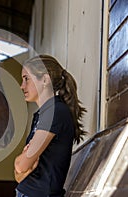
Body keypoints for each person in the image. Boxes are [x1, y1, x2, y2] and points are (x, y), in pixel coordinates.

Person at [14, 54, 86, 197]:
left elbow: (21, 166)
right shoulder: (42, 114)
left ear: (45, 80)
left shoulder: (55, 112)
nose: (22, 86)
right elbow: (18, 176)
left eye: (26, 79)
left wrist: (20, 162)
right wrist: (22, 165)